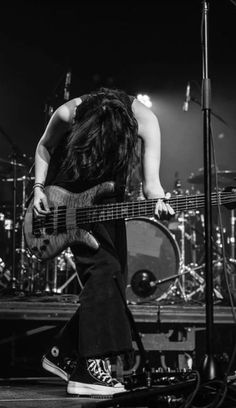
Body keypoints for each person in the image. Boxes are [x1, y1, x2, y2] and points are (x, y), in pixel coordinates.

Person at [33, 87, 174, 397]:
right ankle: (88, 368)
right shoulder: (70, 111)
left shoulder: (146, 121)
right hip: (67, 197)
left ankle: (62, 353)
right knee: (104, 269)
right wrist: (39, 188)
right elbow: (45, 145)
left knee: (113, 279)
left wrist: (161, 202)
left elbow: (152, 186)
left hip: (110, 202)